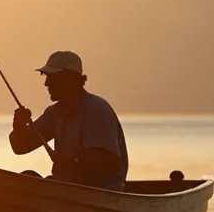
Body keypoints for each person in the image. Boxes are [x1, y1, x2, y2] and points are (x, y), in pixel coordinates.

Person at [9, 51, 129, 191]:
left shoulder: (97, 109)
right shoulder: (54, 113)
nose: (46, 83)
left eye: (51, 77)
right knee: (26, 177)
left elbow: (110, 161)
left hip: (99, 192)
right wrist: (19, 127)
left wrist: (72, 161)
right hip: (66, 189)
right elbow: (20, 148)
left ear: (68, 79)